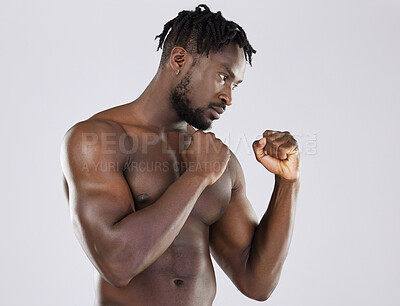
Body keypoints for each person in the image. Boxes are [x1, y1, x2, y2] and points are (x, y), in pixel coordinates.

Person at [61, 4, 300, 306]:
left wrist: (288, 182)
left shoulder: (217, 161)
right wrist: (197, 177)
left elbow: (257, 282)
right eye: (223, 77)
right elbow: (117, 264)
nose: (228, 97)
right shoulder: (97, 138)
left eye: (235, 85)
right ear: (179, 59)